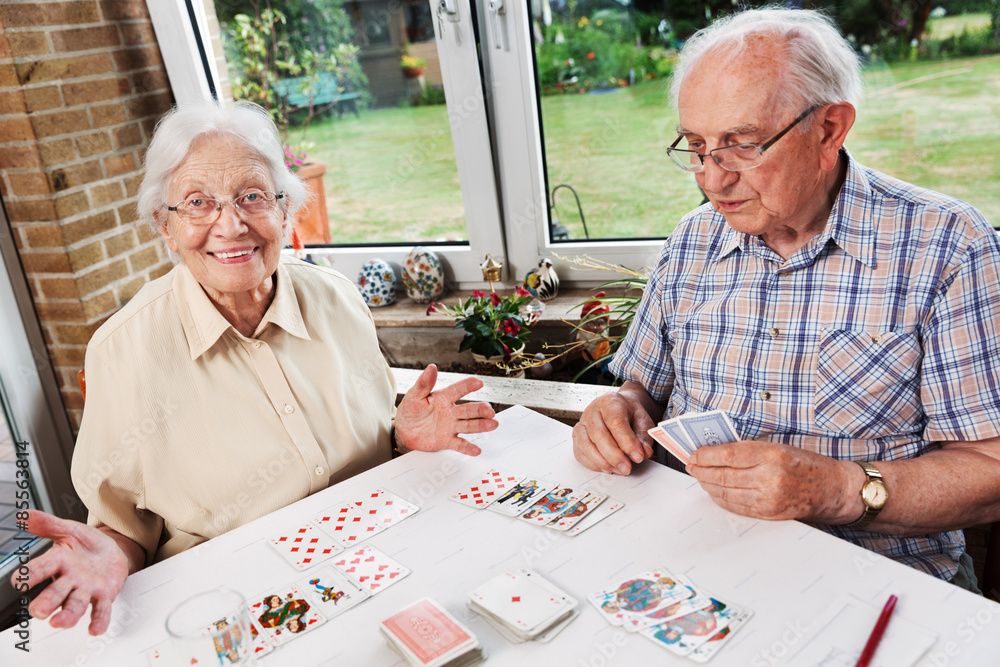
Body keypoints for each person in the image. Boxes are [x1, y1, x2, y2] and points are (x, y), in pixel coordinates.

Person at [14, 101, 499, 635]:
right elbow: (126, 527)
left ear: (285, 210)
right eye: (198, 203)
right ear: (165, 227)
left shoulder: (336, 298)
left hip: (387, 565)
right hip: (248, 612)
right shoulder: (122, 352)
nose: (231, 224)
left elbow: (376, 432)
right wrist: (109, 555)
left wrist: (402, 436)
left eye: (252, 196)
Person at [573, 8, 1000, 589]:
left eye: (741, 145)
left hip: (881, 585)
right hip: (698, 567)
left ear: (829, 131)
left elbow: (989, 473)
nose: (711, 178)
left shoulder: (947, 245)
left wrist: (838, 489)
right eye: (696, 146)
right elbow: (641, 388)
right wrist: (617, 411)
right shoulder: (692, 241)